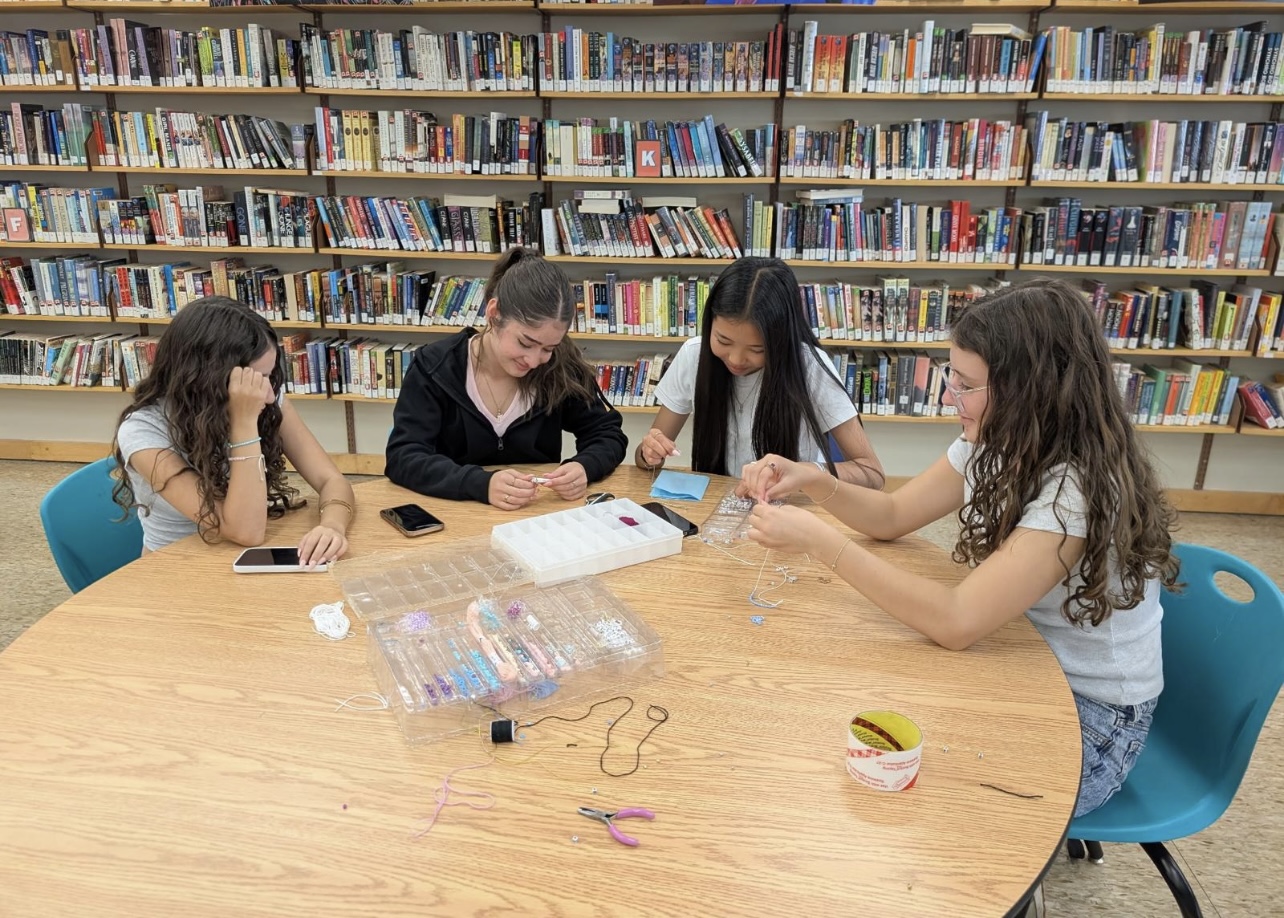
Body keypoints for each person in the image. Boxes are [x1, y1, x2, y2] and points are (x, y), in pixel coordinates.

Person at [740, 277, 1178, 818]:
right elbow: (893, 516)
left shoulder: (1078, 487)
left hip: (1090, 720)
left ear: (1030, 389)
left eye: (966, 384)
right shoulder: (996, 436)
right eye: (952, 377)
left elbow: (956, 621)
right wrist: (812, 478)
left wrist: (818, 540)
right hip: (1020, 656)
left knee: (925, 797)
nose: (951, 395)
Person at [112, 296, 356, 566]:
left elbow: (331, 480)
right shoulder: (143, 430)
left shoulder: (264, 396)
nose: (266, 393)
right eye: (255, 379)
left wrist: (332, 526)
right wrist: (244, 423)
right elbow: (244, 531)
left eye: (269, 376)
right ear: (206, 378)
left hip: (243, 559)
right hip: (178, 567)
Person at [386, 247, 627, 509]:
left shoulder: (561, 366)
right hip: (454, 511)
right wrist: (480, 484)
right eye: (525, 343)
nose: (535, 361)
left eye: (548, 348)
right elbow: (403, 456)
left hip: (535, 517)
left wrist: (584, 466)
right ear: (494, 314)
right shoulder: (434, 367)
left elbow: (607, 433)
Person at [634, 256, 884, 489]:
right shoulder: (694, 356)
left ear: (782, 340)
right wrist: (649, 452)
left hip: (790, 511)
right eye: (723, 340)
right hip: (718, 504)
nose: (736, 359)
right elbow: (647, 458)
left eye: (757, 349)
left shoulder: (810, 366)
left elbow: (871, 473)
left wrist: (805, 472)